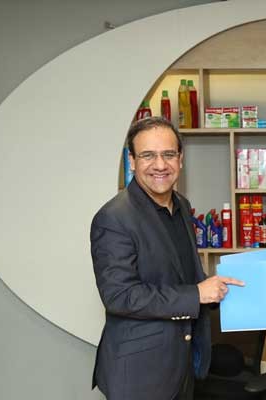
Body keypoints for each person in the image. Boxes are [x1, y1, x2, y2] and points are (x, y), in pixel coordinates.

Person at [90, 116, 244, 400]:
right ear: (132, 161)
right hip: (140, 373)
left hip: (183, 364)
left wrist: (213, 288)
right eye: (148, 155)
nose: (160, 165)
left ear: (180, 160)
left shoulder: (182, 205)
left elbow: (180, 274)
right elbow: (120, 296)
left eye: (168, 154)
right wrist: (196, 294)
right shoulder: (114, 218)